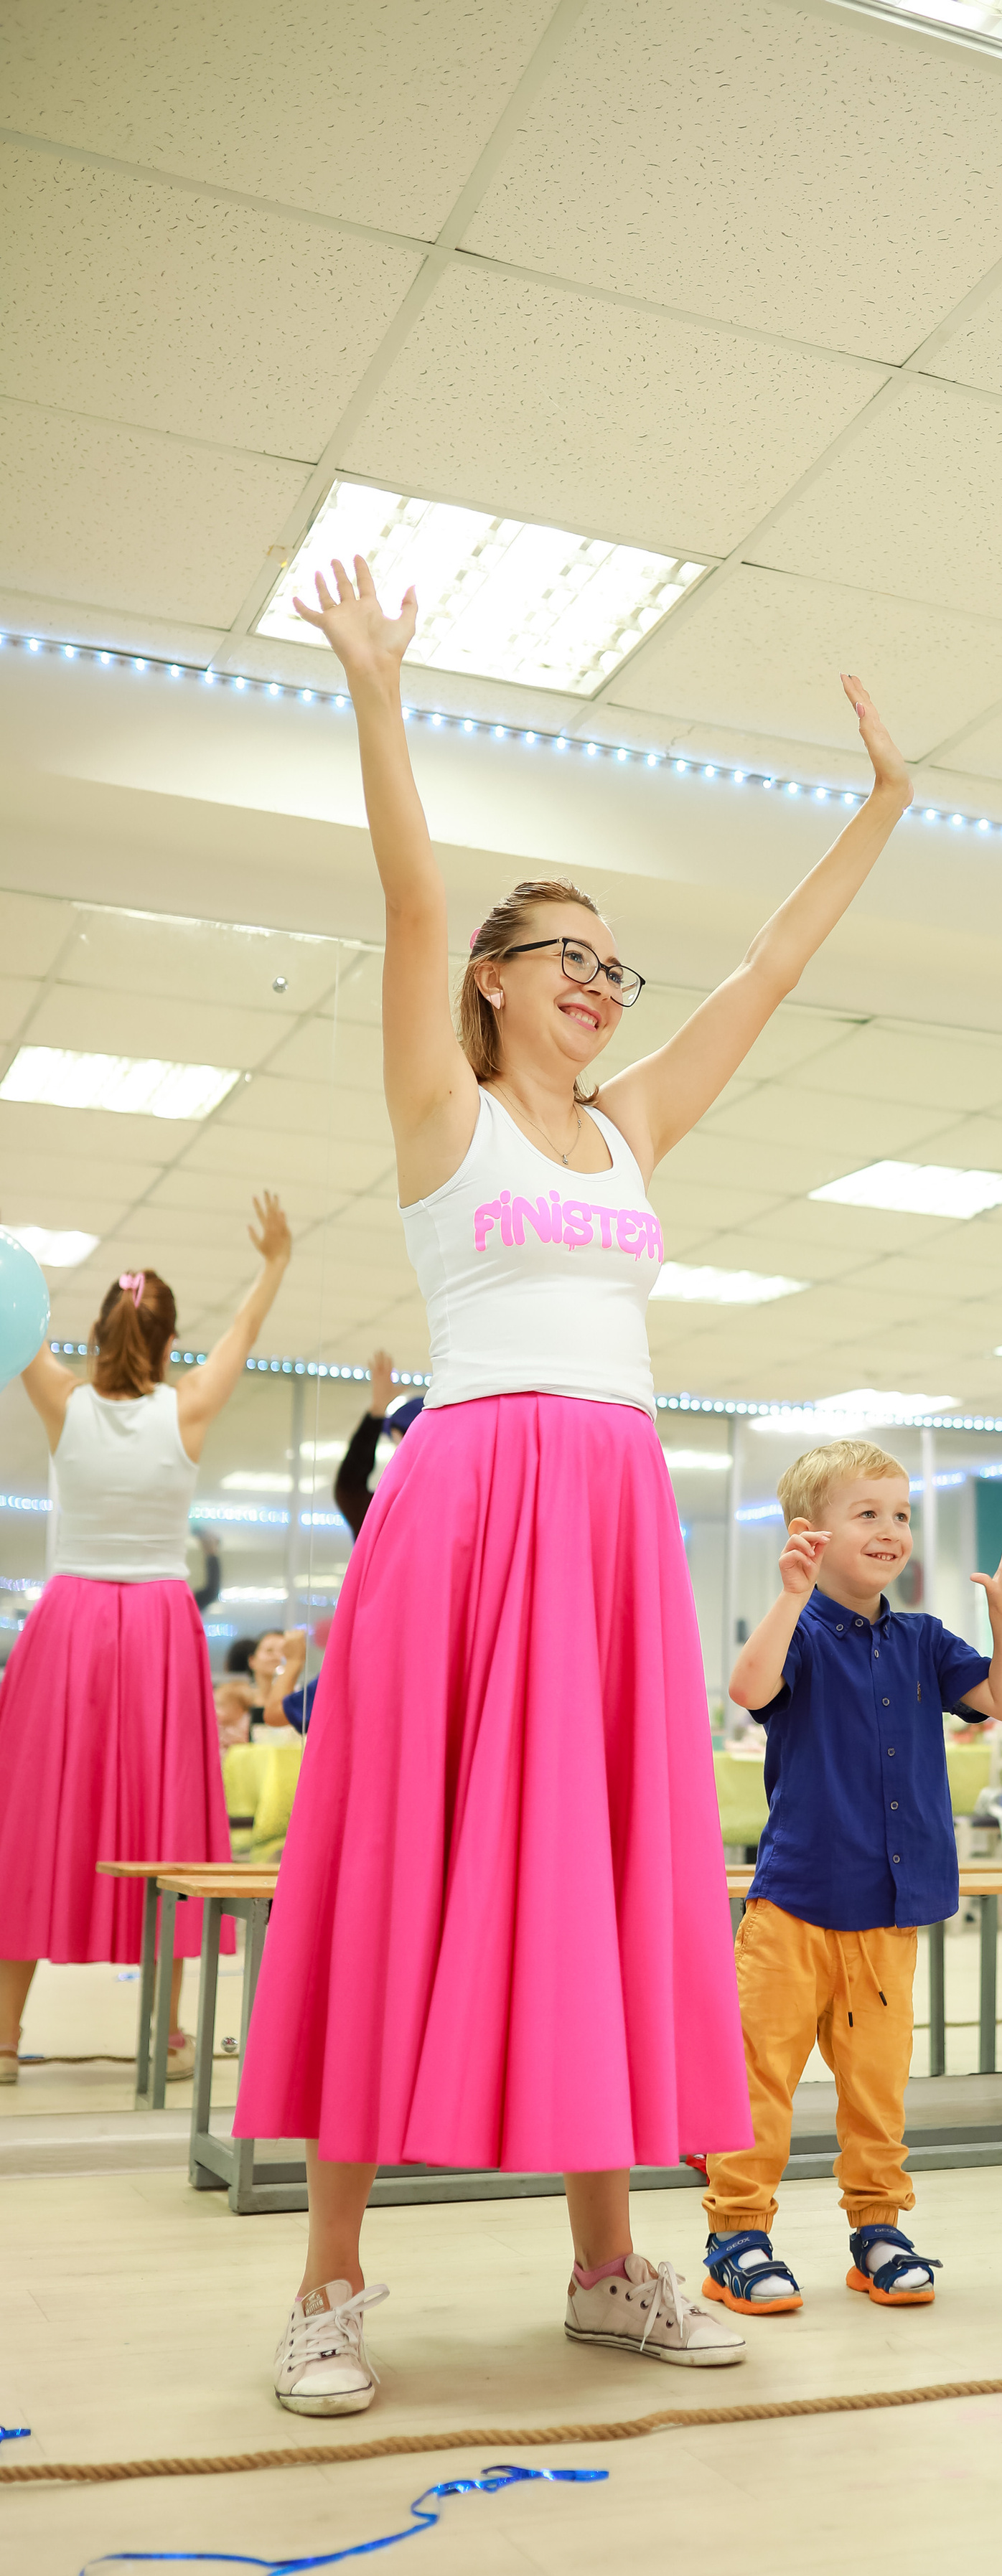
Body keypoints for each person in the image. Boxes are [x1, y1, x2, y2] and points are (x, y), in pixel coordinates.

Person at [233, 549, 914, 2418]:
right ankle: (330, 2280)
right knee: (401, 1869)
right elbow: (409, 892)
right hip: (464, 1514)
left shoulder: (635, 1130)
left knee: (608, 1876)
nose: (604, 983)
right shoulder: (441, 1114)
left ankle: (611, 2265)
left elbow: (775, 967)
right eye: (573, 957)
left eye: (620, 963)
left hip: (610, 1516)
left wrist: (881, 811)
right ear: (496, 983)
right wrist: (378, 691)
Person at [698, 1442, 1002, 2316]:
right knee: (759, 2080)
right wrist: (786, 1598)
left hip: (890, 1915)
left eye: (901, 1515)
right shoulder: (801, 1634)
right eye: (868, 1514)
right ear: (808, 1534)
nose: (891, 1531)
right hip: (794, 1907)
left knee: (876, 2086)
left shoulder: (923, 1640)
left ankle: (878, 2229)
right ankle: (736, 2235)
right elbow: (748, 1688)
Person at [0, 1201, 293, 2086]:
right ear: (169, 1343)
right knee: (159, 1815)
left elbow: (19, 1327)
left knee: (37, 1818)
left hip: (71, 1626)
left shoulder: (61, 1398)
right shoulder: (190, 1405)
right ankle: (165, 2035)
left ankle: (4, 2039)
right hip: (159, 1629)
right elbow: (244, 1326)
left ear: (100, 1333)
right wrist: (274, 1262)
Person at [332, 1348, 423, 1540]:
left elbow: (349, 1488)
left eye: (396, 1439)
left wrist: (378, 1410)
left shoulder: (388, 1511)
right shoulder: (455, 1496)